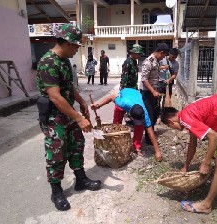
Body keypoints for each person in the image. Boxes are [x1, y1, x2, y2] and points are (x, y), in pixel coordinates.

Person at [36, 24, 101, 212]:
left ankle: (80, 179)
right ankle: (56, 191)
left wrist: (81, 102)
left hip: (68, 113)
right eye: (75, 45)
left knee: (76, 145)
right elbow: (55, 96)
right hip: (54, 117)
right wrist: (79, 118)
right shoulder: (48, 62)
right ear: (64, 43)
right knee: (56, 153)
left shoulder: (64, 60)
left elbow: (69, 87)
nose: (77, 48)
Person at [91, 88, 163, 161]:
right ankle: (115, 143)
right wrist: (98, 105)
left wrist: (157, 151)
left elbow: (150, 132)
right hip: (125, 94)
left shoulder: (144, 113)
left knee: (140, 126)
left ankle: (136, 147)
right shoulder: (122, 103)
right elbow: (111, 97)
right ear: (130, 115)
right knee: (116, 123)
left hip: (135, 95)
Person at [140, 43, 170, 145]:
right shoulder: (148, 62)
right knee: (150, 115)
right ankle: (148, 139)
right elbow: (144, 79)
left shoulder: (156, 62)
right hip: (147, 92)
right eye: (164, 55)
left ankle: (151, 133)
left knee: (156, 113)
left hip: (153, 92)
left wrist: (155, 91)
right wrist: (153, 91)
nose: (163, 58)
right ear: (161, 52)